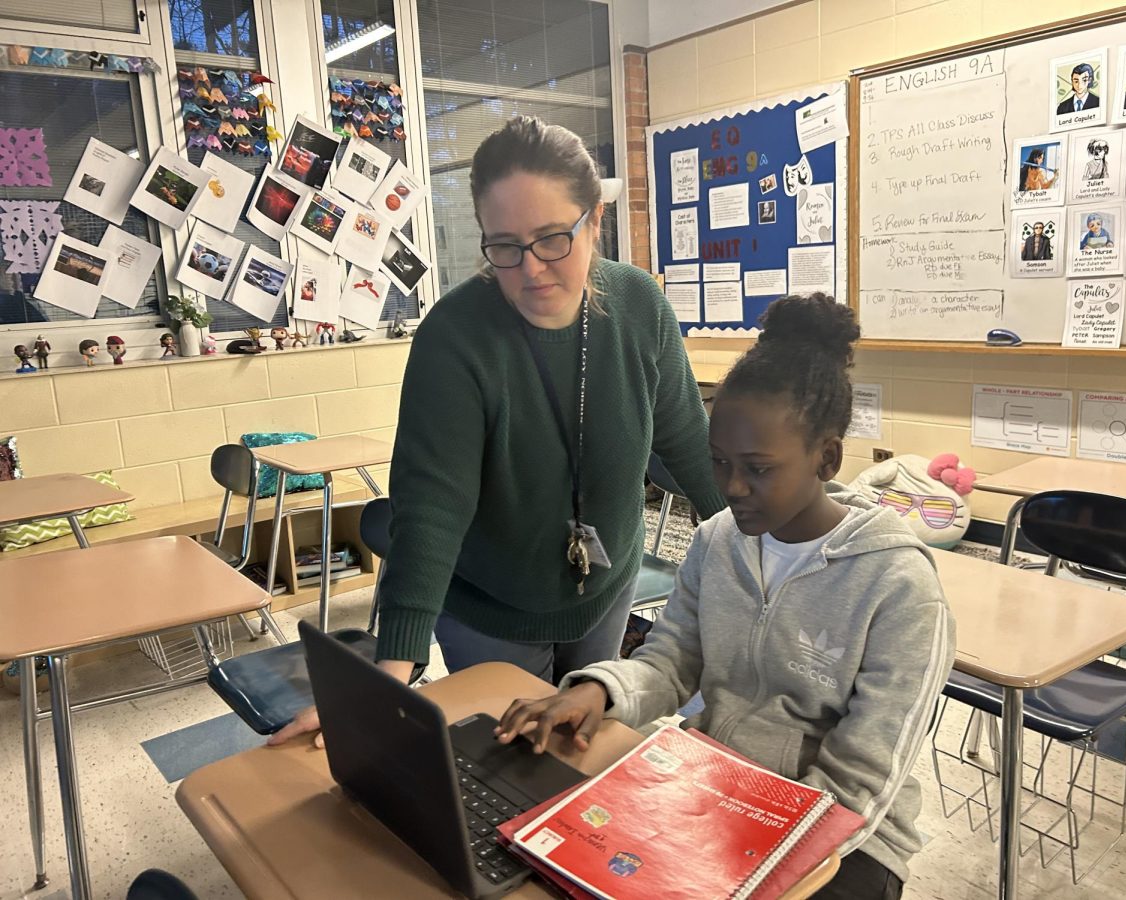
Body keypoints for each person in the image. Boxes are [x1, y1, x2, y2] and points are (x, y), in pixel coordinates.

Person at [270, 116, 724, 748]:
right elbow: (431, 509)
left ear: (595, 222)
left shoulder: (640, 305)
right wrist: (389, 677)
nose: (531, 268)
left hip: (606, 589)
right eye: (504, 245)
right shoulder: (455, 336)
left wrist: (773, 557)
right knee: (519, 768)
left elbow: (690, 448)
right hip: (492, 609)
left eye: (552, 239)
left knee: (587, 751)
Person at [496, 294, 954, 900]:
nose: (732, 487)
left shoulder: (897, 586)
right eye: (718, 462)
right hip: (714, 785)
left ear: (828, 457)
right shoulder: (718, 543)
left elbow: (865, 775)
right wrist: (597, 690)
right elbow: (671, 659)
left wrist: (761, 854)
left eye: (759, 469)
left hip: (846, 839)